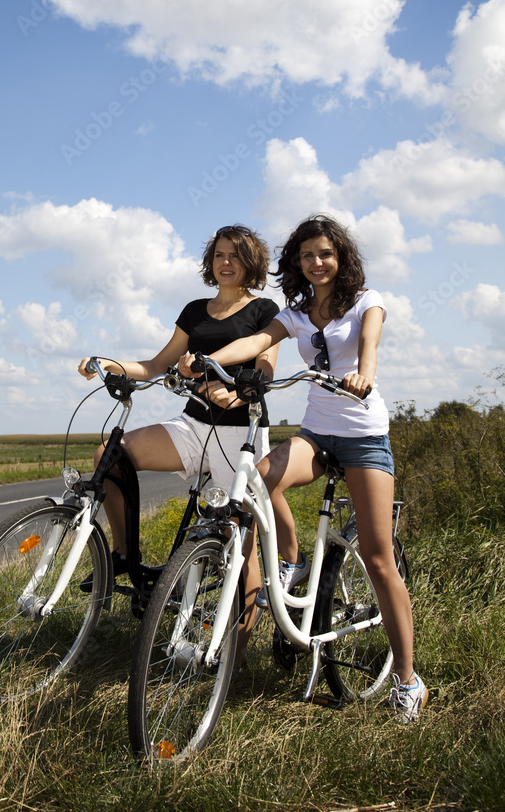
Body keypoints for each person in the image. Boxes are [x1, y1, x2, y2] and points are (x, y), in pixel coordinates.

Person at [179, 214, 427, 723]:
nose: (317, 262)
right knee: (258, 483)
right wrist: (208, 359)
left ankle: (407, 678)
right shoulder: (294, 314)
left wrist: (364, 376)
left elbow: (369, 347)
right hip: (316, 433)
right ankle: (287, 566)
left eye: (325, 254)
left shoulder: (366, 301)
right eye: (308, 255)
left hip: (362, 435)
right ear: (297, 263)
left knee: (379, 559)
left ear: (341, 258)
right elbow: (256, 342)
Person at [78, 225, 280, 651]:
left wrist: (238, 389)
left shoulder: (264, 309)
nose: (225, 262)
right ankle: (122, 556)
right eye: (219, 255)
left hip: (239, 435)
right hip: (193, 426)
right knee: (109, 455)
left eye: (235, 256)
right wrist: (106, 362)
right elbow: (154, 365)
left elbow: (266, 368)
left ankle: (235, 656)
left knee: (239, 543)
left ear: (251, 263)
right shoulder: (194, 310)